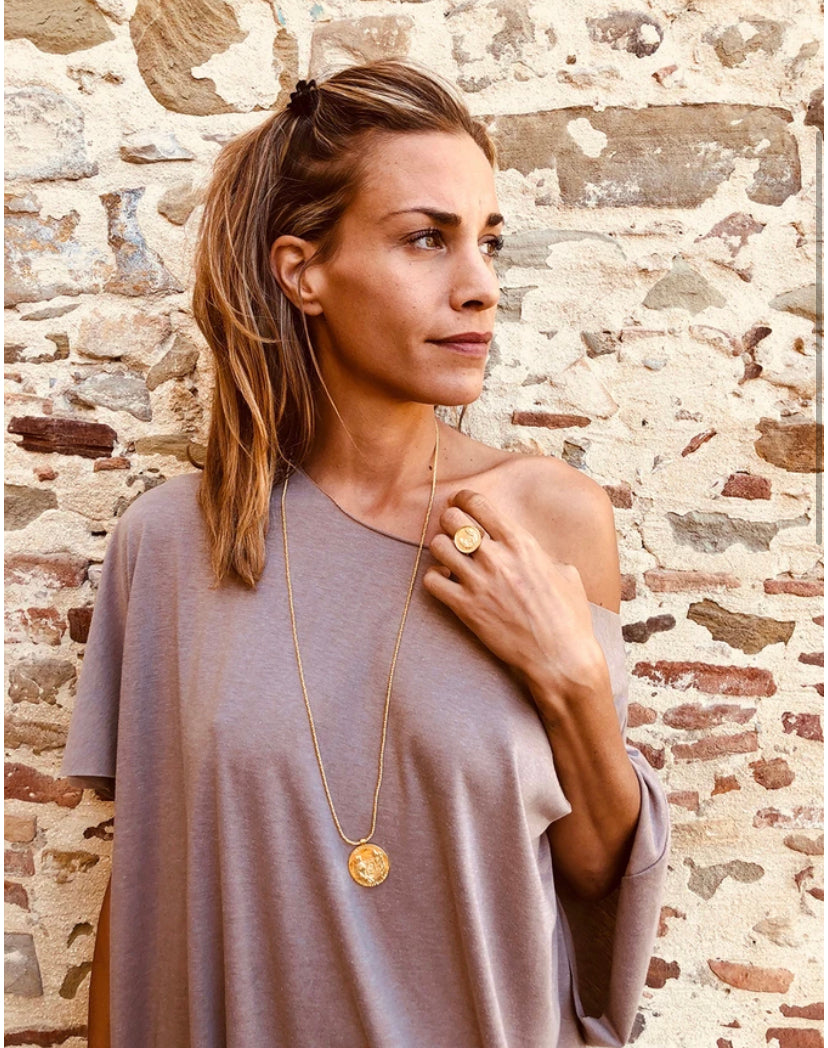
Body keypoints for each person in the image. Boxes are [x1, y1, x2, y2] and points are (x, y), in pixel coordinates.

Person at [61, 60, 669, 1047]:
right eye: (427, 239)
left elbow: (593, 874)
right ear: (303, 271)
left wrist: (570, 677)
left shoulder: (548, 519)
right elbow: (145, 898)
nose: (478, 286)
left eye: (488, 243)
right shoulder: (170, 547)